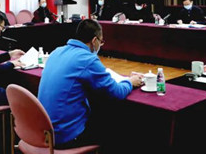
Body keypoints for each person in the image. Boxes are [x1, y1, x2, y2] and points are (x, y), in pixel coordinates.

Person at [38, 19, 142, 149]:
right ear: (94, 41)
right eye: (101, 41)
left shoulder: (56, 52)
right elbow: (117, 92)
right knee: (117, 129)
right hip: (64, 136)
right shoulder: (87, 59)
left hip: (43, 131)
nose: (100, 45)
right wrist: (130, 81)